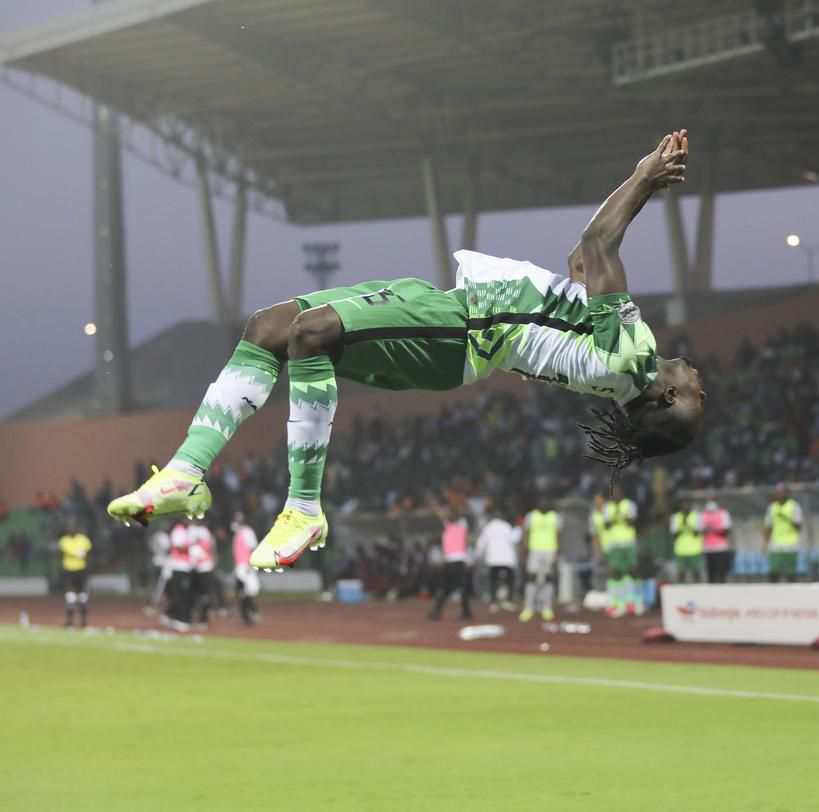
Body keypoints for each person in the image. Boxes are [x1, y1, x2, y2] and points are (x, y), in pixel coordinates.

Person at [106, 132, 704, 572]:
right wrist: (637, 181)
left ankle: (304, 507)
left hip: (462, 333)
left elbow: (599, 243)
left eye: (700, 393)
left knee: (310, 333)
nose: (701, 377)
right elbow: (583, 259)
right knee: (269, 326)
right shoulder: (622, 353)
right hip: (454, 310)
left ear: (670, 396)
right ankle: (186, 471)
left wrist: (646, 177)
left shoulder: (630, 356)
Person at [520, 496, 563, 622]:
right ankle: (528, 608)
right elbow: (526, 535)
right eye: (541, 501)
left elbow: (559, 536)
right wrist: (525, 553)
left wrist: (557, 554)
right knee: (532, 578)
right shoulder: (531, 516)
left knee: (548, 579)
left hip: (550, 550)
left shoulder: (555, 517)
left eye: (545, 502)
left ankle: (546, 608)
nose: (543, 504)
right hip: (534, 551)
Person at [426, 506, 473, 621]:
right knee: (451, 587)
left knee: (453, 587)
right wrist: (433, 504)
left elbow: (454, 512)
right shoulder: (448, 524)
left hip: (458, 560)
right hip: (451, 561)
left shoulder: (462, 524)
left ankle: (439, 612)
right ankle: (465, 612)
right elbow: (441, 515)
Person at [602, 484, 641, 617]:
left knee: (632, 569)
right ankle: (618, 602)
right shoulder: (608, 507)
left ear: (622, 493)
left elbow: (632, 522)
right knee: (616, 572)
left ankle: (632, 601)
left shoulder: (629, 505)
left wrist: (621, 515)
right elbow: (606, 525)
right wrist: (616, 516)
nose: (615, 495)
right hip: (614, 543)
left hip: (628, 542)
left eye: (617, 492)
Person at [474, 506, 521, 612]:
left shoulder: (488, 527)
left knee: (493, 581)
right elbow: (514, 539)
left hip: (493, 559)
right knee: (510, 580)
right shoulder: (506, 526)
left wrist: (477, 556)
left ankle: (494, 602)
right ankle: (508, 600)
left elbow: (481, 543)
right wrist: (518, 528)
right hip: (507, 559)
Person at [763, 483, 803, 583]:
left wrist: (786, 518)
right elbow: (768, 526)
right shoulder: (772, 507)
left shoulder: (794, 506)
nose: (780, 494)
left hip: (791, 544)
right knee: (773, 571)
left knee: (790, 573)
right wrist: (765, 543)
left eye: (783, 492)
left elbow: (799, 526)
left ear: (787, 493)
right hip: (775, 543)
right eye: (778, 492)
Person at [57, 521, 91, 629]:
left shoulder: (83, 539)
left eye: (73, 528)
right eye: (69, 528)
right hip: (68, 570)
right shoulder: (63, 541)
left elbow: (88, 554)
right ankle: (70, 622)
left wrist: (82, 555)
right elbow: (60, 554)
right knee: (70, 596)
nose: (71, 530)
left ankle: (83, 621)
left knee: (82, 597)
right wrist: (72, 554)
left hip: (81, 570)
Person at [232, 512, 261, 625]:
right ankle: (250, 613)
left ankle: (248, 614)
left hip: (246, 566)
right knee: (242, 592)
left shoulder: (247, 531)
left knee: (245, 591)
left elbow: (253, 547)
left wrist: (251, 564)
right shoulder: (239, 532)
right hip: (240, 566)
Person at [669, 497, 703, 583]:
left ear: (691, 505)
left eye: (688, 504)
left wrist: (688, 523)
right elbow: (674, 535)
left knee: (696, 573)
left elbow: (697, 533)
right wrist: (682, 524)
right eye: (684, 504)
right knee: (681, 574)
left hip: (695, 550)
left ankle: (698, 591)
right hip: (680, 550)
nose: (686, 506)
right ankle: (680, 592)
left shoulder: (697, 516)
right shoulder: (676, 517)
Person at [700, 495, 733, 584]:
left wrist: (715, 529)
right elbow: (700, 530)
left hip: (720, 548)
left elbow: (726, 530)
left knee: (721, 573)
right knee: (711, 574)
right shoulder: (703, 514)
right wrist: (706, 530)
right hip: (708, 548)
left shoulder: (723, 513)